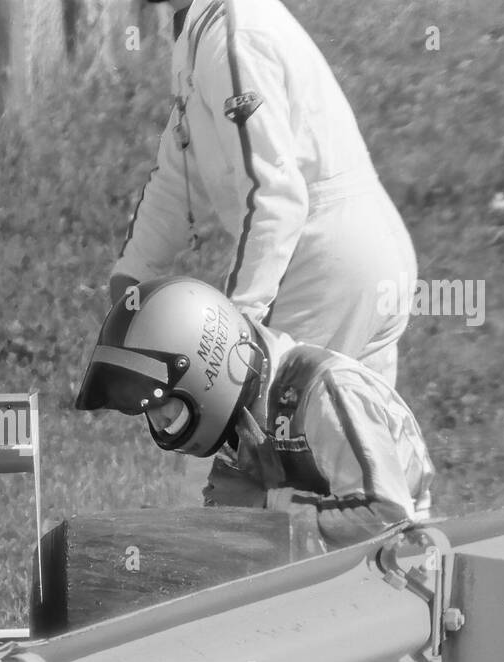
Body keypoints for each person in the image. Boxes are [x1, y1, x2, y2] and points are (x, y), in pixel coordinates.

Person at [114, 0, 418, 503]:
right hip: (359, 255)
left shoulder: (233, 32)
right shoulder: (206, 29)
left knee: (225, 464)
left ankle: (218, 582)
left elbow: (277, 198)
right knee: (363, 474)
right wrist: (131, 272)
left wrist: (234, 331)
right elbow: (176, 176)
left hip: (322, 261)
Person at [75, 277, 434, 552]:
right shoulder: (242, 422)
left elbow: (386, 515)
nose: (159, 422)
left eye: (160, 402)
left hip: (398, 585)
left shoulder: (325, 391)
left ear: (206, 371)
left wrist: (268, 507)